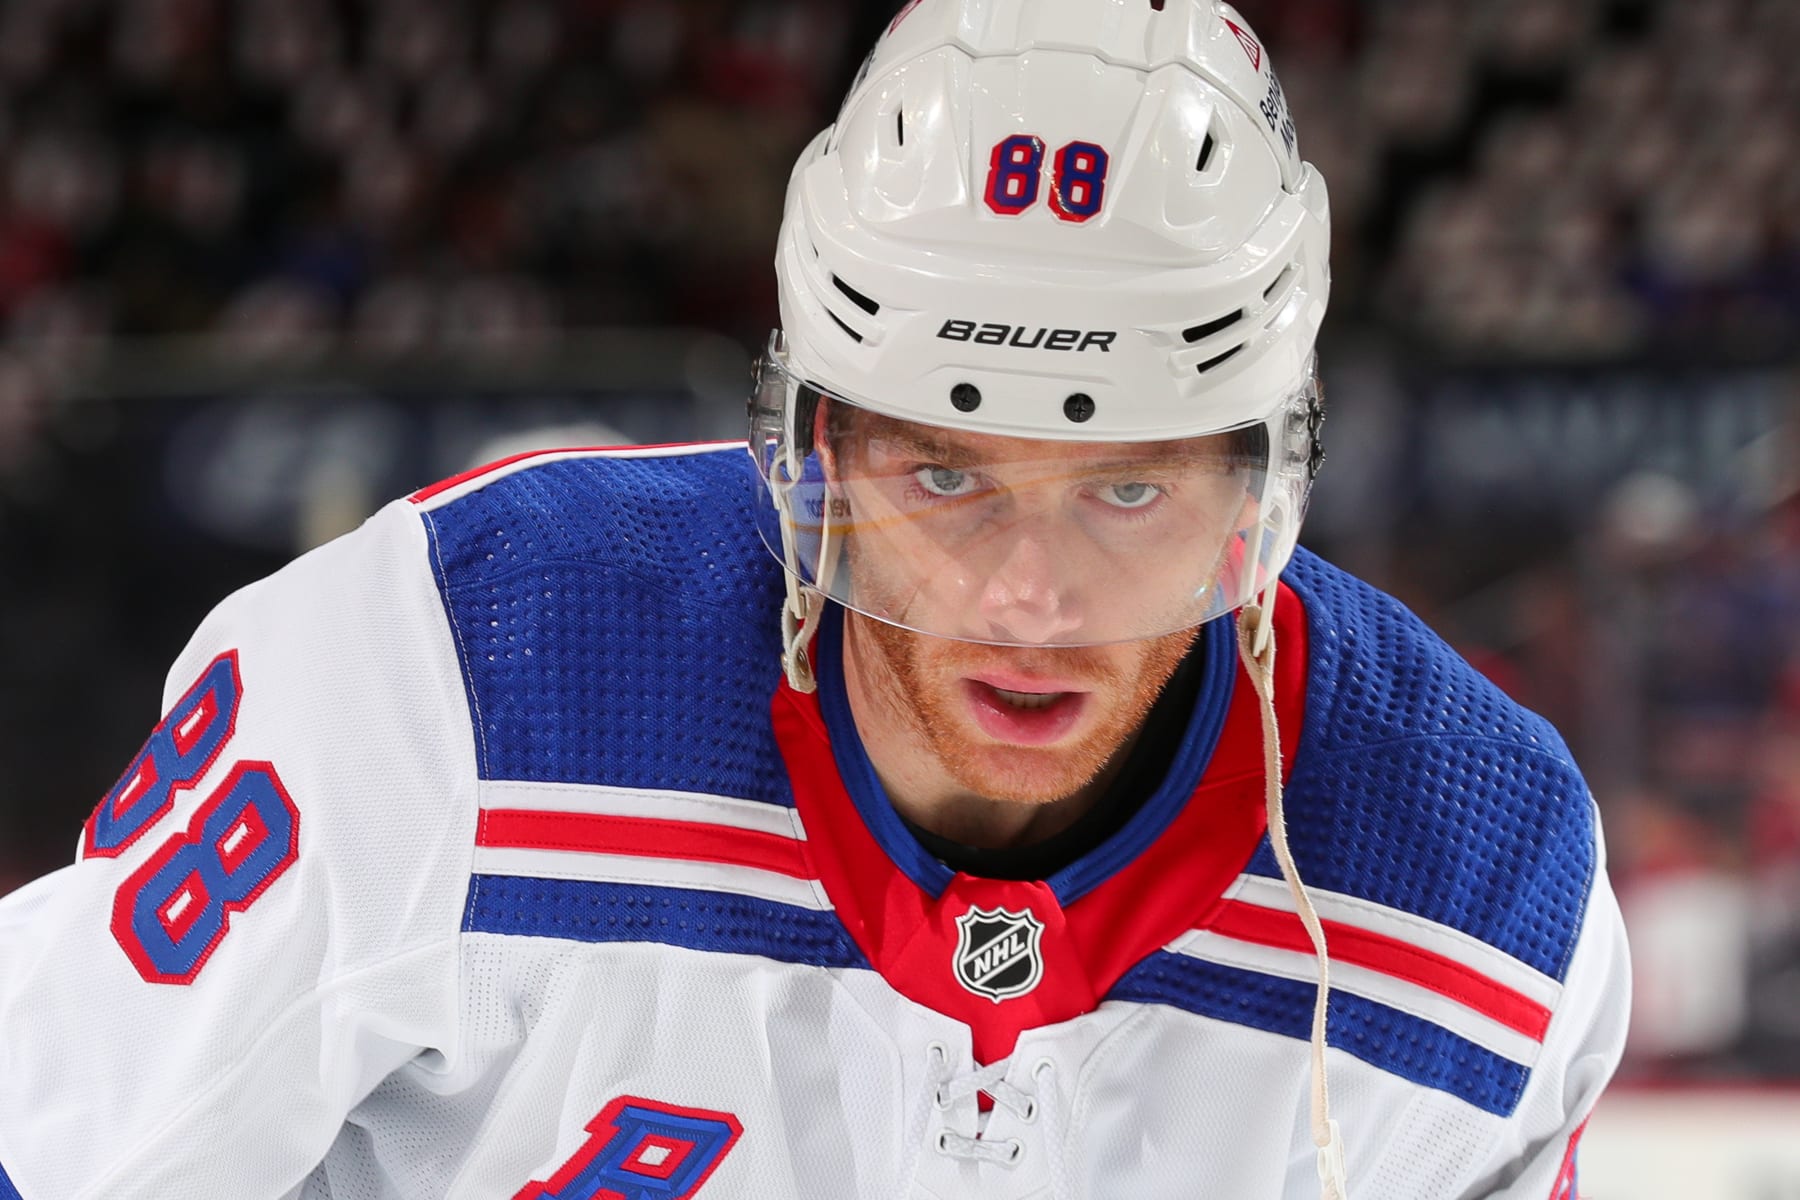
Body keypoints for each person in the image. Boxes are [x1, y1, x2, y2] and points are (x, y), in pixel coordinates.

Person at [0, 2, 1628, 1198]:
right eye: (942, 478)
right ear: (813, 451)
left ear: (1258, 493)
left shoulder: (1482, 894)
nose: (1028, 597)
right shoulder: (444, 684)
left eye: (1127, 489)